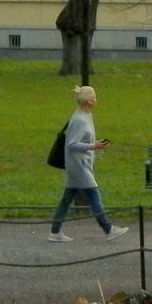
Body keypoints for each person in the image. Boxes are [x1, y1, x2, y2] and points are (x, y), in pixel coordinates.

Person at [48, 85, 130, 242]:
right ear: (89, 101)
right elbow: (72, 145)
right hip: (78, 165)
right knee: (93, 193)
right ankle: (108, 229)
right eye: (94, 97)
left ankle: (55, 231)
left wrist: (94, 144)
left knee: (67, 197)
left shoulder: (84, 115)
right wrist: (93, 146)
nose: (96, 99)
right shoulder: (80, 120)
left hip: (80, 163)